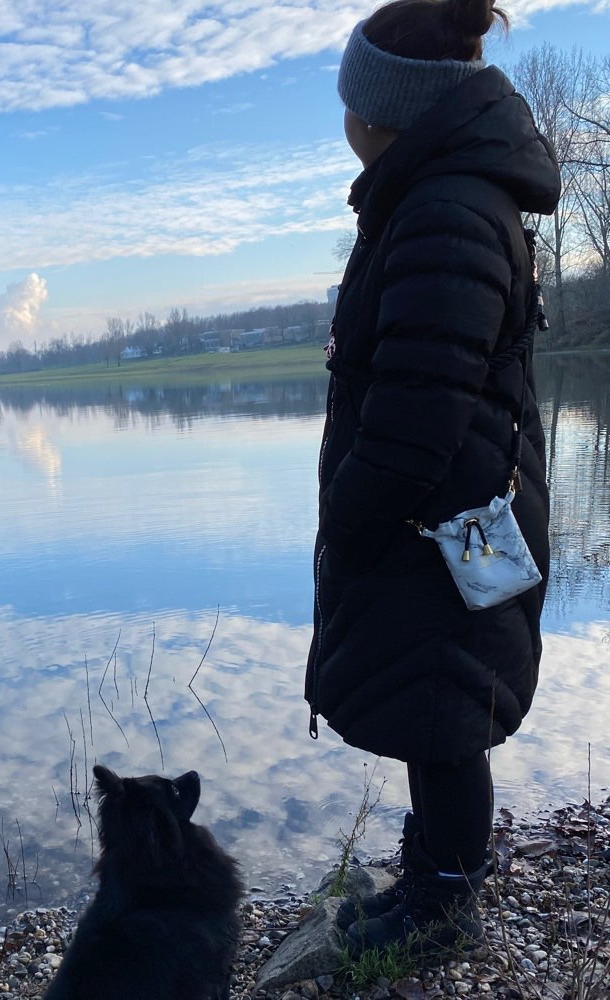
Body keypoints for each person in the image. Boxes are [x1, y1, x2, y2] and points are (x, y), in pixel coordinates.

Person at [304, 0, 560, 955]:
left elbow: (419, 416)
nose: (344, 123)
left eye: (348, 103)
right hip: (449, 514)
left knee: (448, 714)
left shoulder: (444, 211)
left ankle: (445, 911)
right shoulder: (438, 196)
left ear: (386, 113)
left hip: (439, 521)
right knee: (434, 705)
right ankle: (432, 881)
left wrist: (351, 517)